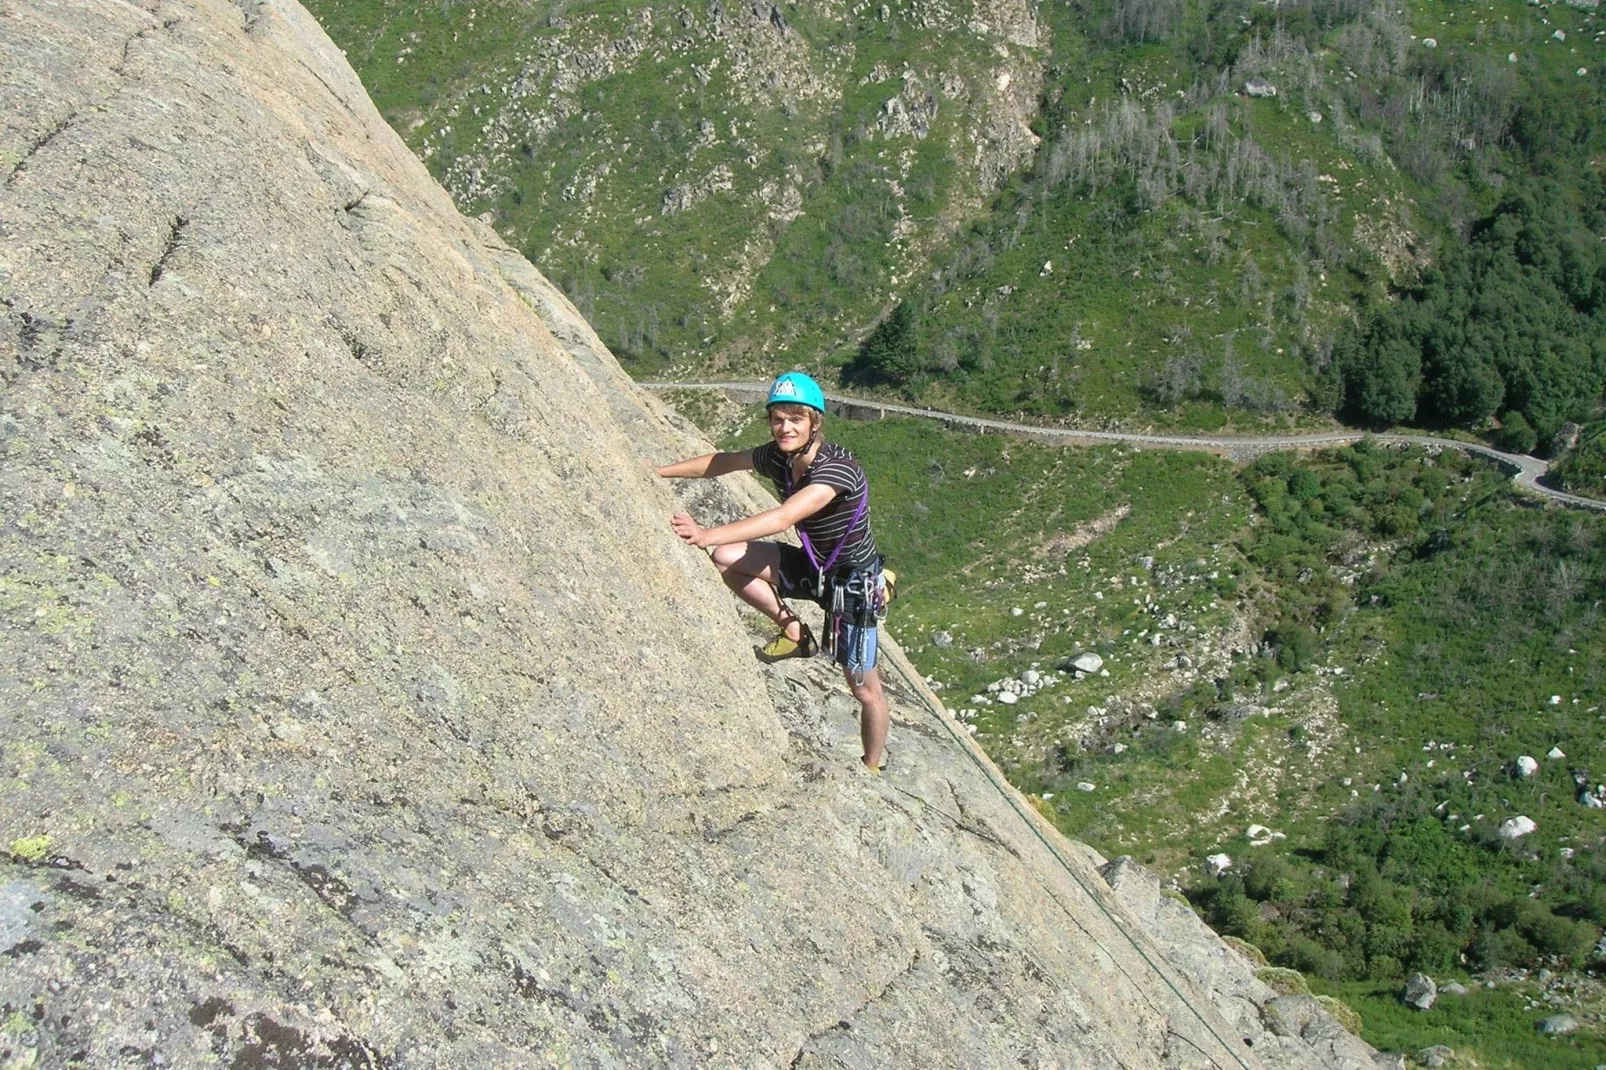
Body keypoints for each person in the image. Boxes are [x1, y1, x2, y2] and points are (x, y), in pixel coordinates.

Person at [655, 372, 892, 773]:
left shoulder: (838, 469)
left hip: (852, 584)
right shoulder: (779, 458)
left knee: (864, 689)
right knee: (727, 558)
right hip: (816, 568)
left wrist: (707, 533)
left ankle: (871, 765)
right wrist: (657, 472)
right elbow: (723, 462)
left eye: (796, 419)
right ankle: (795, 632)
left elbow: (785, 516)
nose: (785, 427)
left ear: (815, 422)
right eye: (778, 418)